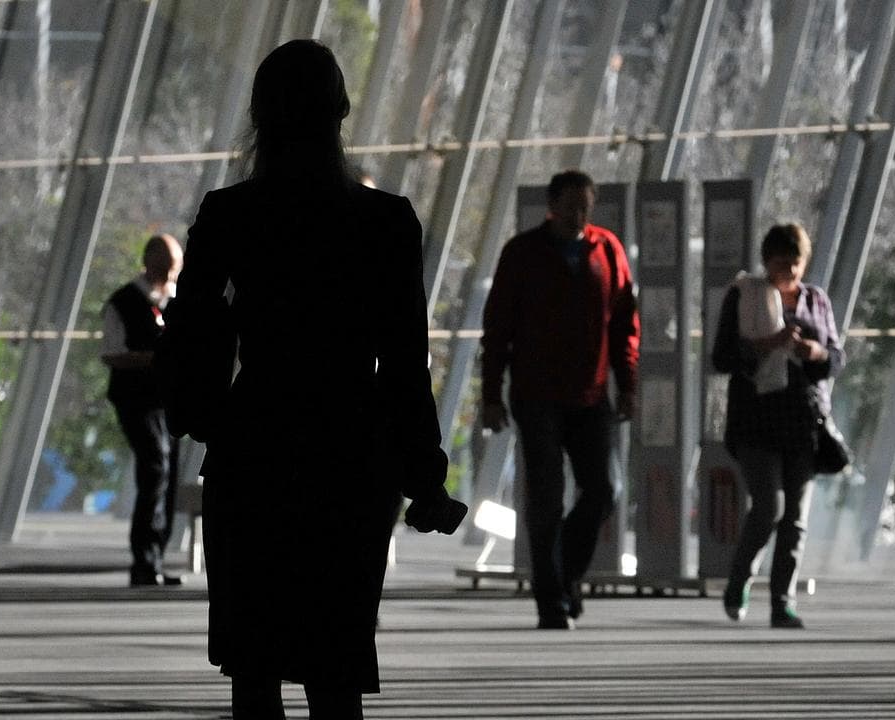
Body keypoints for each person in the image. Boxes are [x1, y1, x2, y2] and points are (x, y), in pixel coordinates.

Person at [161, 40, 464, 720]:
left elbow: (195, 336)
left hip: (257, 446)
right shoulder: (386, 223)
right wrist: (423, 476)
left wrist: (207, 418)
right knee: (336, 667)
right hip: (353, 453)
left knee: (255, 663)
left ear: (261, 115)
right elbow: (405, 365)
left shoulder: (230, 214)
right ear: (341, 110)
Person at [480, 169, 640, 630]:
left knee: (603, 491)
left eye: (586, 206)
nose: (579, 215)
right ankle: (550, 599)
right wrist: (492, 395)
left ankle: (565, 576)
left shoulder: (606, 250)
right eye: (571, 205)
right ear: (551, 206)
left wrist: (627, 385)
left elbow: (625, 325)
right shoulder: (523, 254)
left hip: (592, 397)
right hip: (538, 396)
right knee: (547, 498)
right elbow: (498, 331)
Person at [711, 223, 845, 629]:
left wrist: (815, 351)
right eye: (780, 263)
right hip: (756, 416)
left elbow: (837, 357)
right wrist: (766, 345)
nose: (789, 272)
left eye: (796, 263)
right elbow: (721, 357)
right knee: (768, 506)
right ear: (765, 263)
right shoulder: (746, 296)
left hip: (802, 419)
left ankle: (782, 602)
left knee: (796, 519)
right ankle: (740, 579)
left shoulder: (816, 301)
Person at [100, 233, 185, 588]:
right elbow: (112, 351)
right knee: (155, 466)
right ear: (149, 263)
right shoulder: (123, 302)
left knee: (167, 476)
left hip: (168, 400)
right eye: (165, 269)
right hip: (135, 398)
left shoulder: (175, 301)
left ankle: (155, 556)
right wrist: (154, 359)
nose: (168, 279)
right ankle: (143, 558)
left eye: (174, 272)